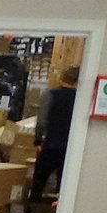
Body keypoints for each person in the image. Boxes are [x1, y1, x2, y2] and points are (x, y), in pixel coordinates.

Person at [30, 65, 78, 201]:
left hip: (50, 145)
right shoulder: (80, 99)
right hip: (69, 148)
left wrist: (38, 140)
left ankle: (32, 211)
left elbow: (42, 121)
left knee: (38, 183)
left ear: (62, 78)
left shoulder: (50, 94)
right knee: (63, 187)